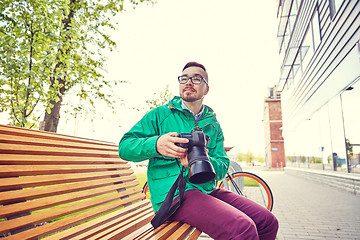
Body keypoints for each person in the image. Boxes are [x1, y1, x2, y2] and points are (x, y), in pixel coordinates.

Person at [118, 61, 278, 240]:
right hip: (174, 194)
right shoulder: (160, 115)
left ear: (206, 89)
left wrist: (206, 160)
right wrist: (156, 144)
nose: (188, 82)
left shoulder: (212, 124)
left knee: (267, 221)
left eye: (196, 78)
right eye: (184, 78)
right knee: (242, 229)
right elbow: (125, 147)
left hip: (205, 190)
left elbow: (223, 165)